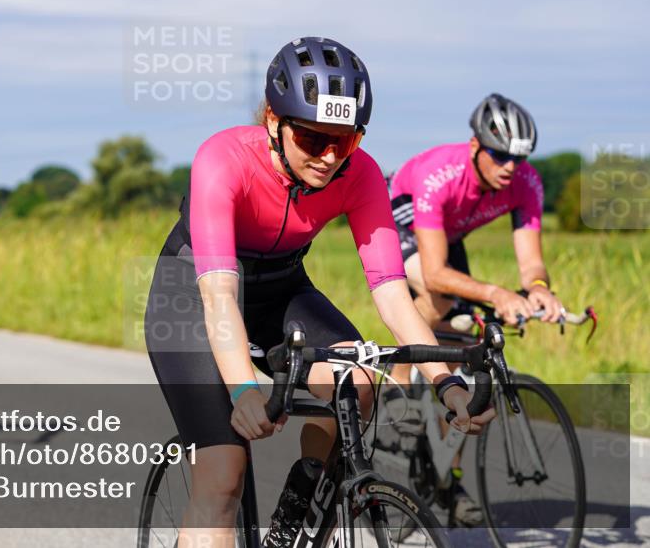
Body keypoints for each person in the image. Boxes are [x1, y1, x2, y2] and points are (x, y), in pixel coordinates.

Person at [144, 37, 492, 548]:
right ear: (272, 120)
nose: (329, 158)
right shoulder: (223, 159)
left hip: (280, 288)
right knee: (223, 475)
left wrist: (447, 384)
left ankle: (295, 521)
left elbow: (393, 292)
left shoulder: (361, 173)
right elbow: (219, 296)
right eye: (312, 139)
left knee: (358, 383)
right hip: (194, 295)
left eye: (345, 141)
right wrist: (243, 391)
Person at [385, 93, 564, 524]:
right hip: (401, 221)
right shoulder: (438, 175)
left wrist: (538, 288)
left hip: (450, 234)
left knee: (468, 356)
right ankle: (399, 381)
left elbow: (531, 260)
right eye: (500, 155)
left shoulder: (527, 183)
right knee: (442, 296)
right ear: (475, 147)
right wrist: (498, 293)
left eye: (518, 159)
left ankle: (448, 477)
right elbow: (434, 272)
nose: (509, 166)